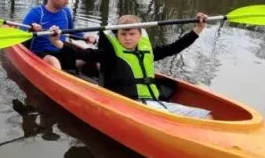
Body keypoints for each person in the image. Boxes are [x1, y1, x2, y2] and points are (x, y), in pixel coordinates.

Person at [48, 13, 213, 119]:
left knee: (207, 115)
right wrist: (57, 42)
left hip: (154, 103)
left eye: (132, 34)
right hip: (129, 107)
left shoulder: (148, 52)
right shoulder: (110, 54)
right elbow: (85, 54)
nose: (127, 38)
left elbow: (174, 48)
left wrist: (198, 29)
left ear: (140, 35)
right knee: (180, 120)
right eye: (123, 34)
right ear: (117, 35)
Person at [12, 0, 81, 71]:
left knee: (88, 57)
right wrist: (31, 28)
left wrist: (86, 37)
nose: (67, 2)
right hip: (40, 54)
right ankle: (59, 76)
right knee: (54, 61)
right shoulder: (37, 13)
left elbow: (73, 31)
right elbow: (20, 35)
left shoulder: (66, 12)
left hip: (60, 50)